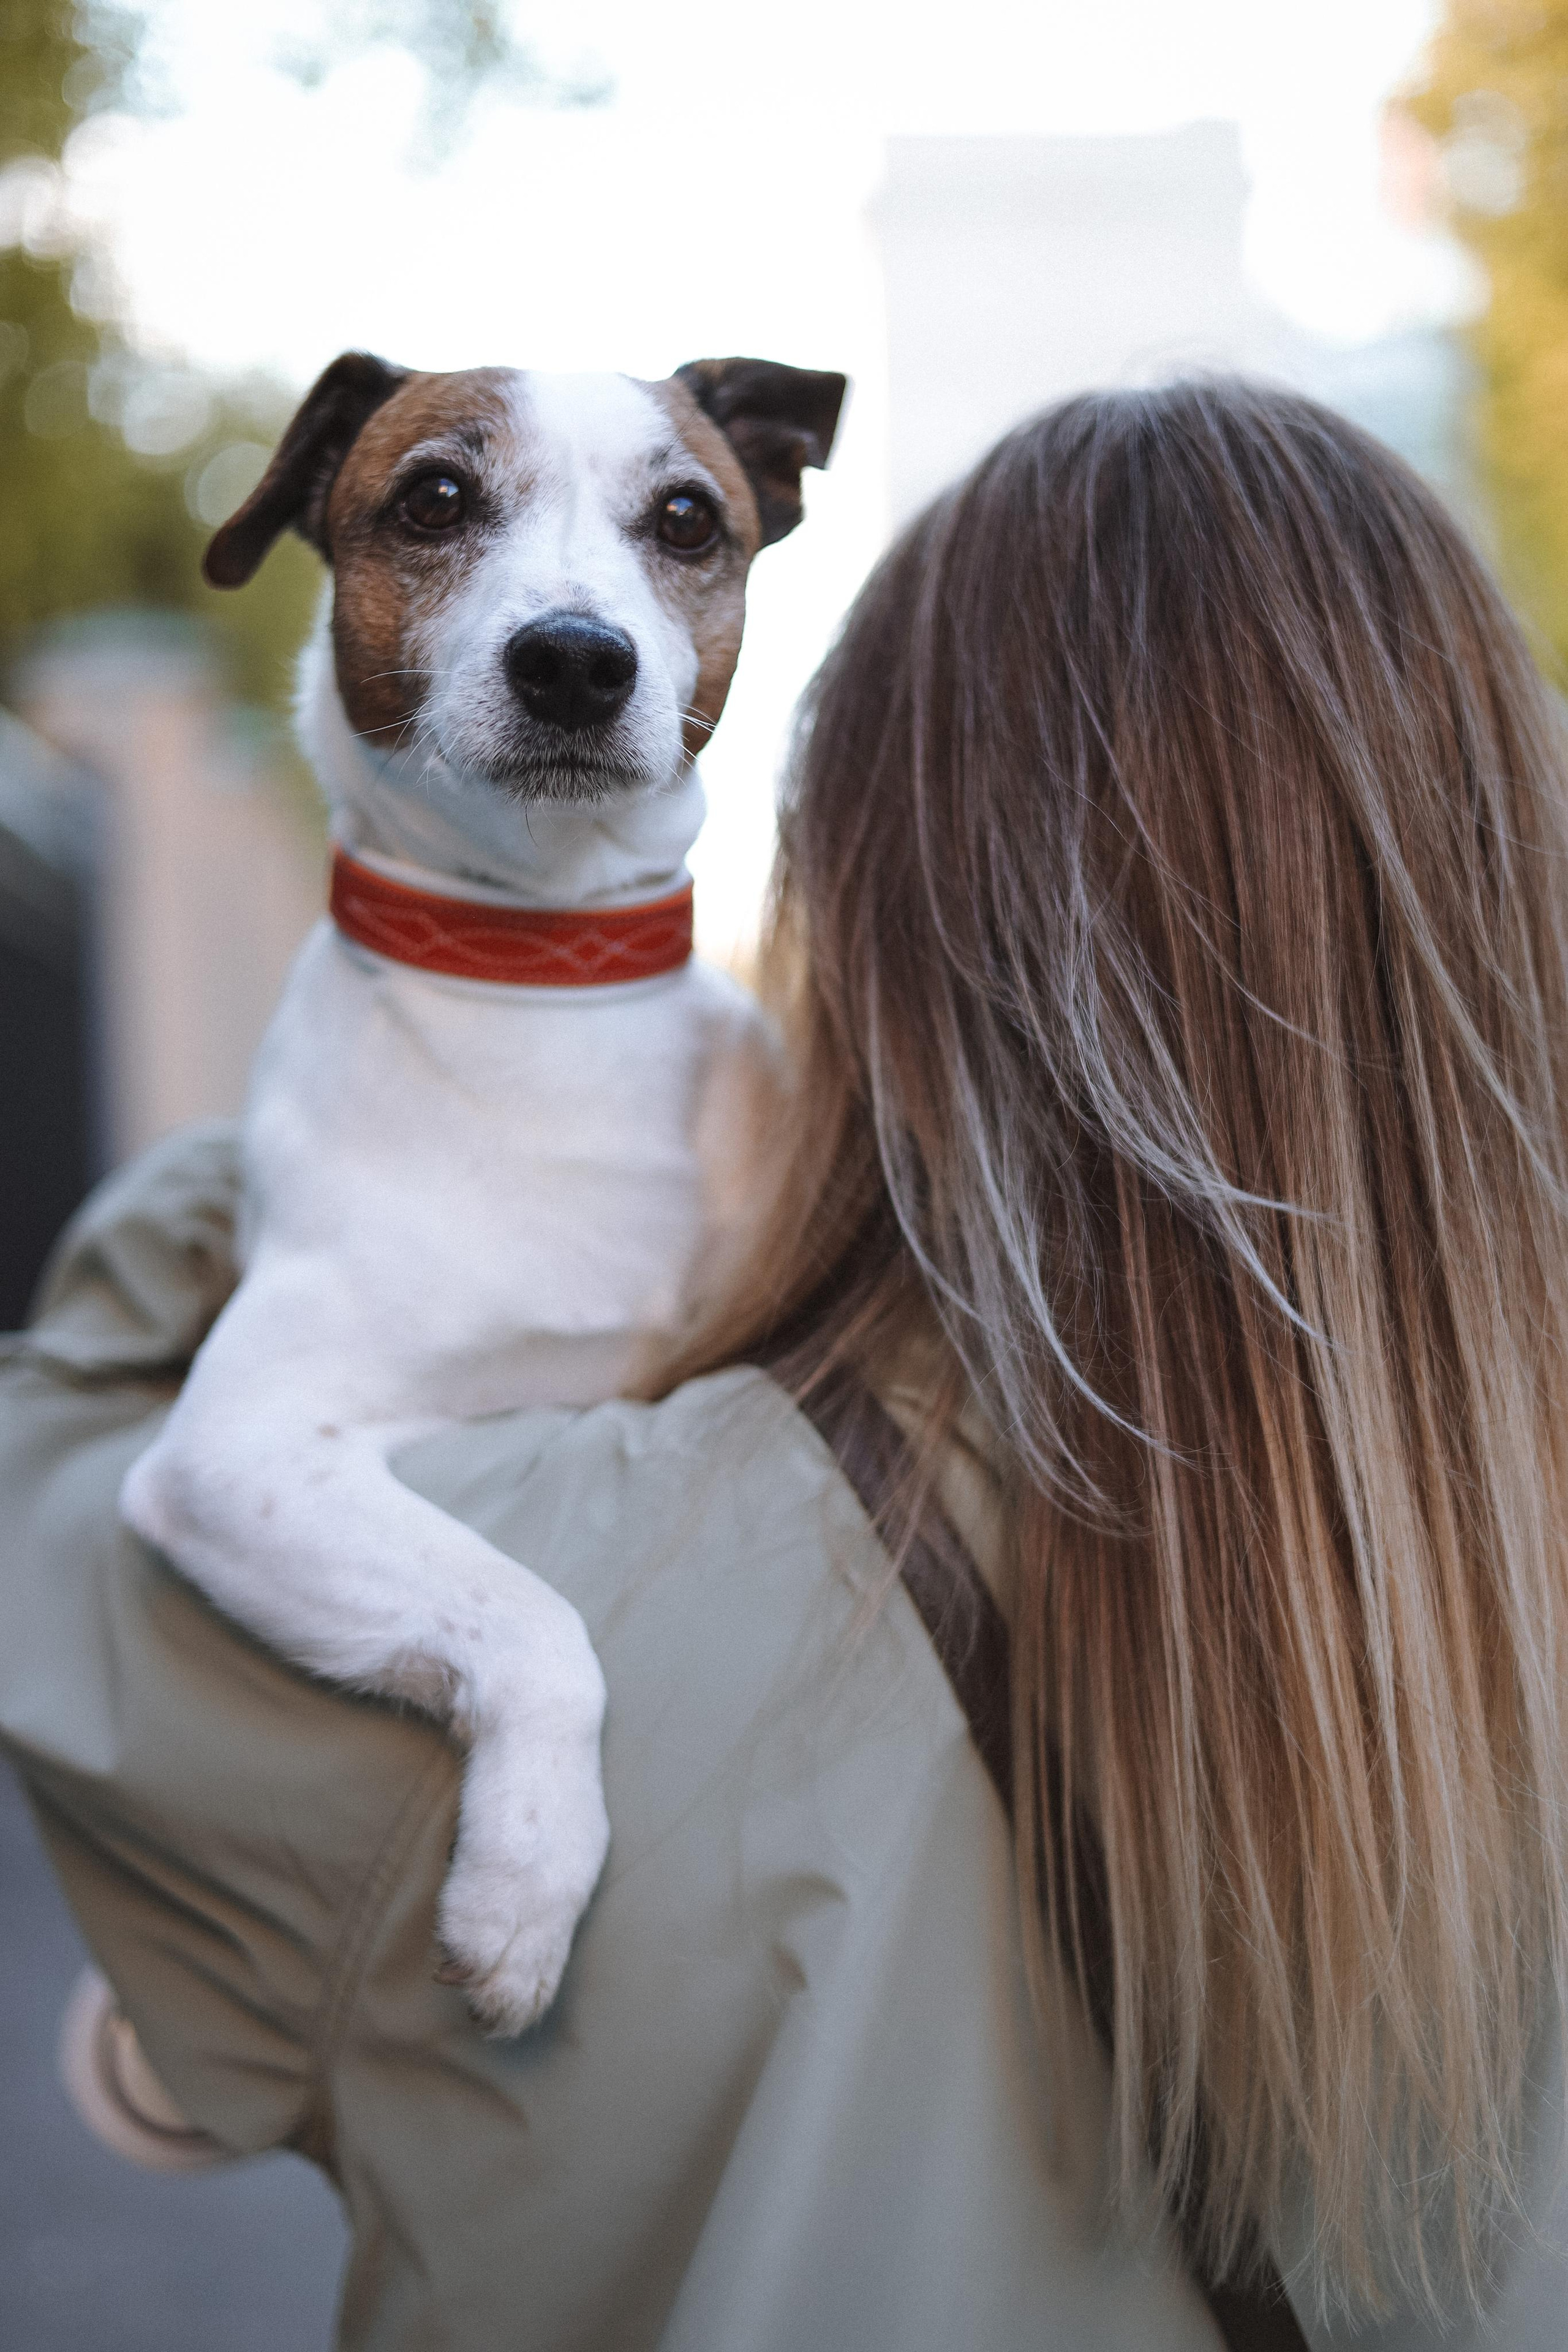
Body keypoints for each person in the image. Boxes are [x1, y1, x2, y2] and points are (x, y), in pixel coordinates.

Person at [4, 379, 1568, 2351]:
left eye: (674, 535)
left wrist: (268, 1157)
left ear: (855, 885)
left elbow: (77, 1534)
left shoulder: (567, 1560)